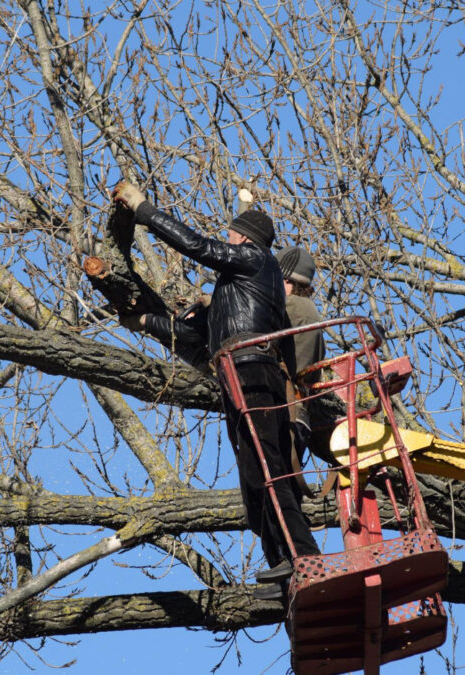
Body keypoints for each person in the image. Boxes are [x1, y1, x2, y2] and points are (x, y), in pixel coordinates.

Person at [112, 182, 320, 600]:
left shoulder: (255, 258)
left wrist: (143, 209)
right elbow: (197, 338)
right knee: (252, 484)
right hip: (235, 378)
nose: (226, 239)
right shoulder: (234, 288)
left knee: (269, 469)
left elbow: (197, 245)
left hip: (255, 373)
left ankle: (306, 559)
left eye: (231, 233)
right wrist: (144, 323)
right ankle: (282, 571)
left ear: (243, 238)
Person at [275, 246, 335, 465]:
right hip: (300, 416)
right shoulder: (310, 312)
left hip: (280, 413)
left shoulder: (289, 307)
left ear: (288, 281)